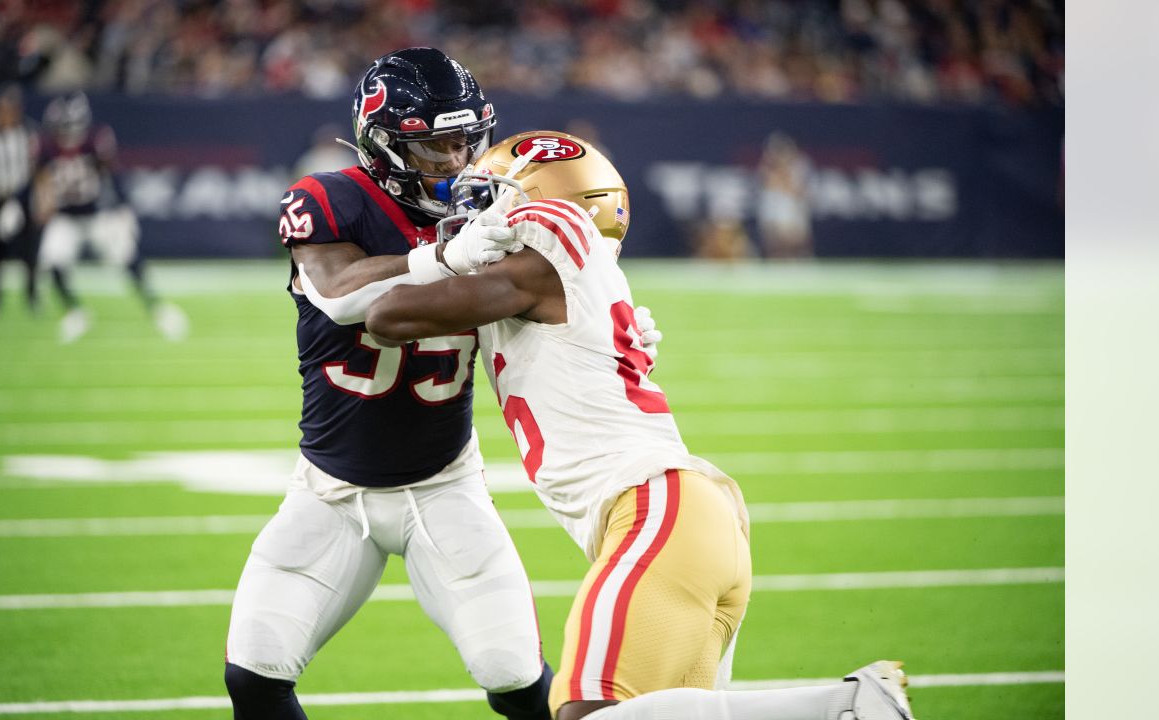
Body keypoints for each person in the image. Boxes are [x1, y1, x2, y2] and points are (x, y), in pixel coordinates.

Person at [356, 131, 916, 720]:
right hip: (692, 522)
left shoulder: (553, 254)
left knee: (585, 714)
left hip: (656, 512)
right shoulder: (575, 276)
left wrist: (448, 257)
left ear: (544, 201)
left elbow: (387, 316)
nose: (475, 213)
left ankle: (849, 706)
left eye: (494, 196)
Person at [223, 48, 558, 720]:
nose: (460, 164)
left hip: (443, 487)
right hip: (328, 492)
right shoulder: (329, 198)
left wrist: (613, 329)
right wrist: (441, 256)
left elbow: (549, 308)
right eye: (437, 148)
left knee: (516, 678)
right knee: (254, 675)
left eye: (470, 142)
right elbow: (342, 295)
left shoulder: (503, 212)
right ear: (383, 147)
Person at [36, 91, 188, 342]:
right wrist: (40, 205)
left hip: (96, 213)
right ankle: (75, 312)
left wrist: (122, 208)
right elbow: (41, 179)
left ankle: (157, 308)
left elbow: (112, 174)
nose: (65, 134)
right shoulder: (46, 146)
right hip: (65, 216)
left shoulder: (95, 140)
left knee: (127, 255)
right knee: (53, 258)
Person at [0, 84, 45, 311]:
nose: (3, 114)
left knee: (30, 249)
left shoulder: (29, 133)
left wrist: (40, 197)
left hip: (22, 197)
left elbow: (37, 167)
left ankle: (31, 295)